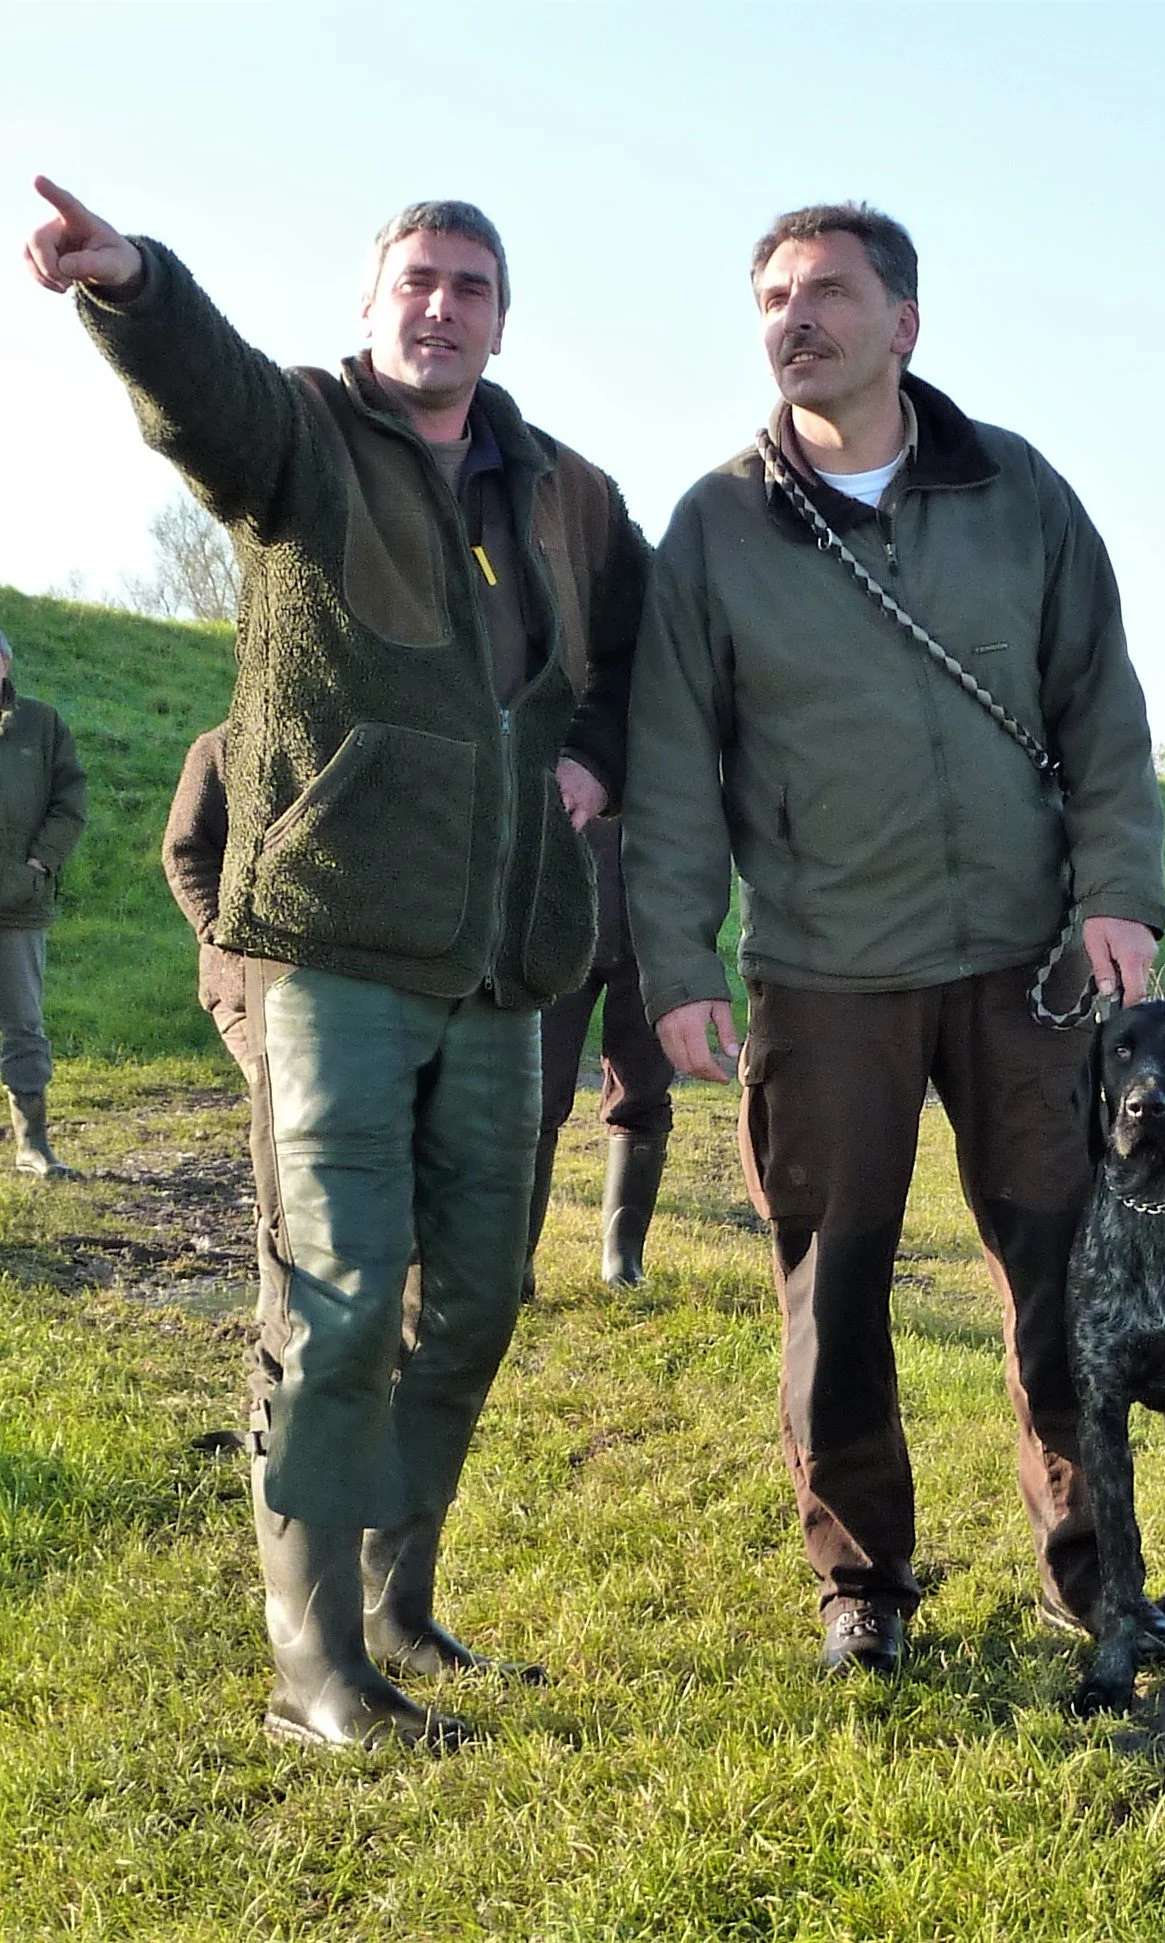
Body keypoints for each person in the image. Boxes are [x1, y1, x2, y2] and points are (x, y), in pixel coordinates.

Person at [26, 178, 646, 1748]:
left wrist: (596, 753)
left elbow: (642, 656)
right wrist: (132, 286)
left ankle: (395, 1596)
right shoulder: (302, 436)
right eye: (416, 280)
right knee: (341, 1292)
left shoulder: (567, 493)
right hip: (331, 950)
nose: (441, 305)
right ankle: (316, 1671)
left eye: (470, 286)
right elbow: (204, 395)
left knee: (479, 1297)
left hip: (503, 963)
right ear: (372, 306)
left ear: (501, 320)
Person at [624, 204, 1165, 1675]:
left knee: (1065, 1277)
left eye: (827, 291)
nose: (794, 318)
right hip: (825, 971)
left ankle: (1093, 1567)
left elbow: (1099, 706)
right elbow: (669, 767)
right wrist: (677, 964)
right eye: (772, 297)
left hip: (1024, 967)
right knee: (837, 1287)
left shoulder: (1015, 488)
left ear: (904, 324)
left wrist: (1118, 890)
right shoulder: (716, 524)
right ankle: (861, 1580)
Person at [522, 817, 674, 1298]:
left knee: (643, 1084)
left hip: (656, 906)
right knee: (535, 1089)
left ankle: (623, 1255)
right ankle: (515, 1254)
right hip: (558, 902)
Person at [0, 628, 86, 1178]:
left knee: (24, 1027)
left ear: (5, 664)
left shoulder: (41, 724)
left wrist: (39, 864)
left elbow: (70, 802)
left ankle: (32, 1144)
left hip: (18, 902)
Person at [161, 724, 248, 1072]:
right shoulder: (219, 747)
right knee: (275, 1094)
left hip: (353, 984)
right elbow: (185, 850)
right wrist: (221, 931)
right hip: (240, 984)